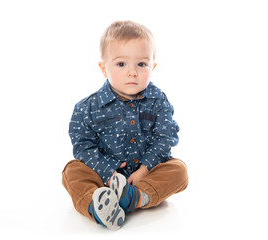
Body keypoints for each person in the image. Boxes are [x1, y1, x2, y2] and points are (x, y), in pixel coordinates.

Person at [62, 20, 188, 230]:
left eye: (141, 64)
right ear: (104, 68)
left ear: (152, 66)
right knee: (72, 171)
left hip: (145, 174)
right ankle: (97, 207)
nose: (132, 72)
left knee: (179, 170)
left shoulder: (159, 101)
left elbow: (165, 138)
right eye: (121, 64)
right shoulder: (87, 107)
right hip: (103, 176)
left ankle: (132, 198)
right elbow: (83, 146)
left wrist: (144, 170)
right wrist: (108, 172)